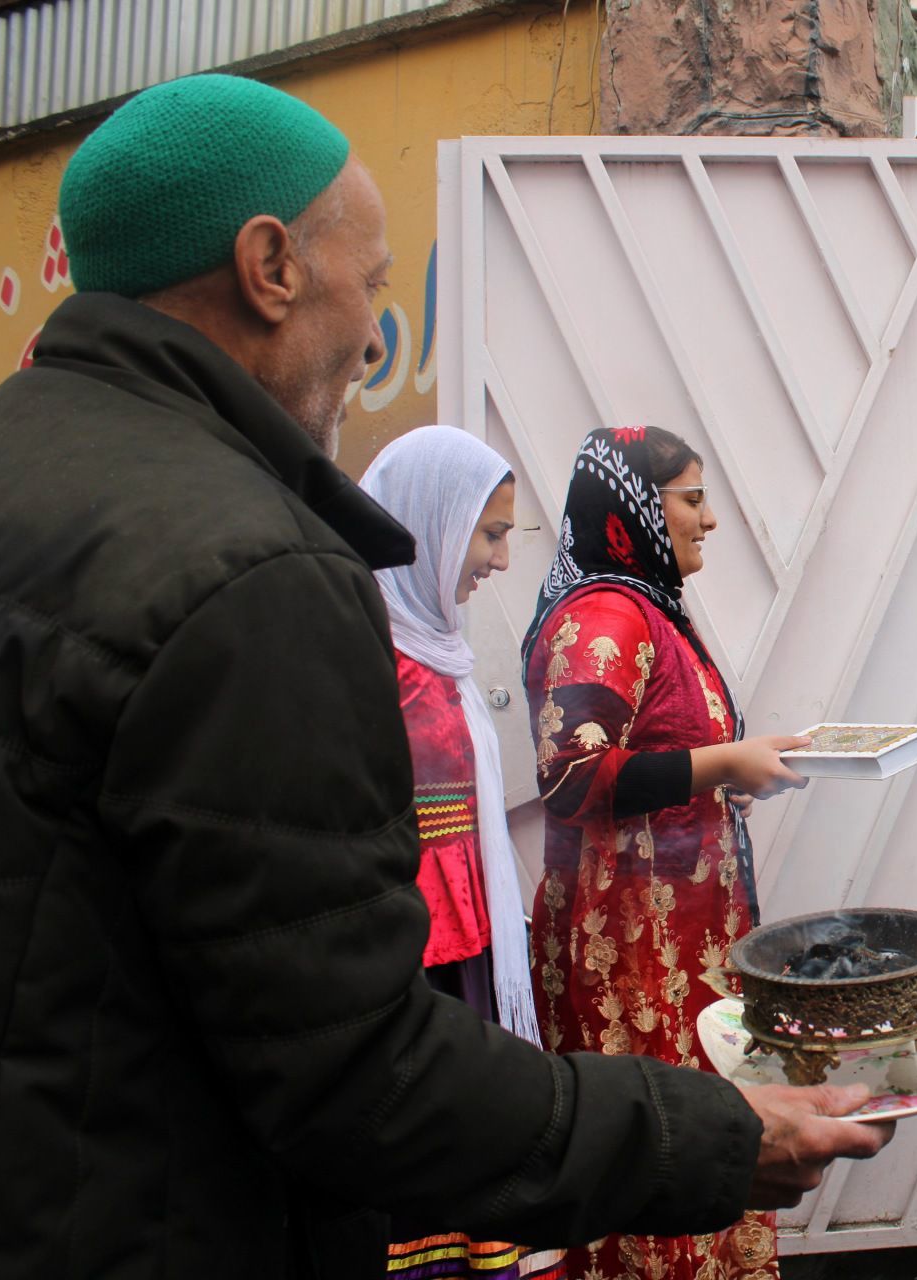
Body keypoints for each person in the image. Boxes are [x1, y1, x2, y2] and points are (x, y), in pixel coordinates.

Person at [0, 74, 885, 1277]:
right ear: (272, 267)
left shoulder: (5, 463)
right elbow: (357, 1071)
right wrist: (710, 1134)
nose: (371, 333)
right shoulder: (255, 570)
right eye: (377, 283)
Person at [523, 425, 818, 1280]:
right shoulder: (606, 614)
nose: (710, 520)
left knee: (700, 1137)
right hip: (630, 952)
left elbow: (650, 759)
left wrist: (733, 773)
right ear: (636, 511)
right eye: (691, 498)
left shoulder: (648, 607)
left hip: (677, 943)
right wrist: (726, 761)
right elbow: (571, 775)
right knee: (656, 1144)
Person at [361, 425, 560, 1278]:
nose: (502, 560)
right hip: (410, 970)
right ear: (426, 527)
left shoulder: (436, 652)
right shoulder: (370, 660)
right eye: (489, 533)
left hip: (463, 953)